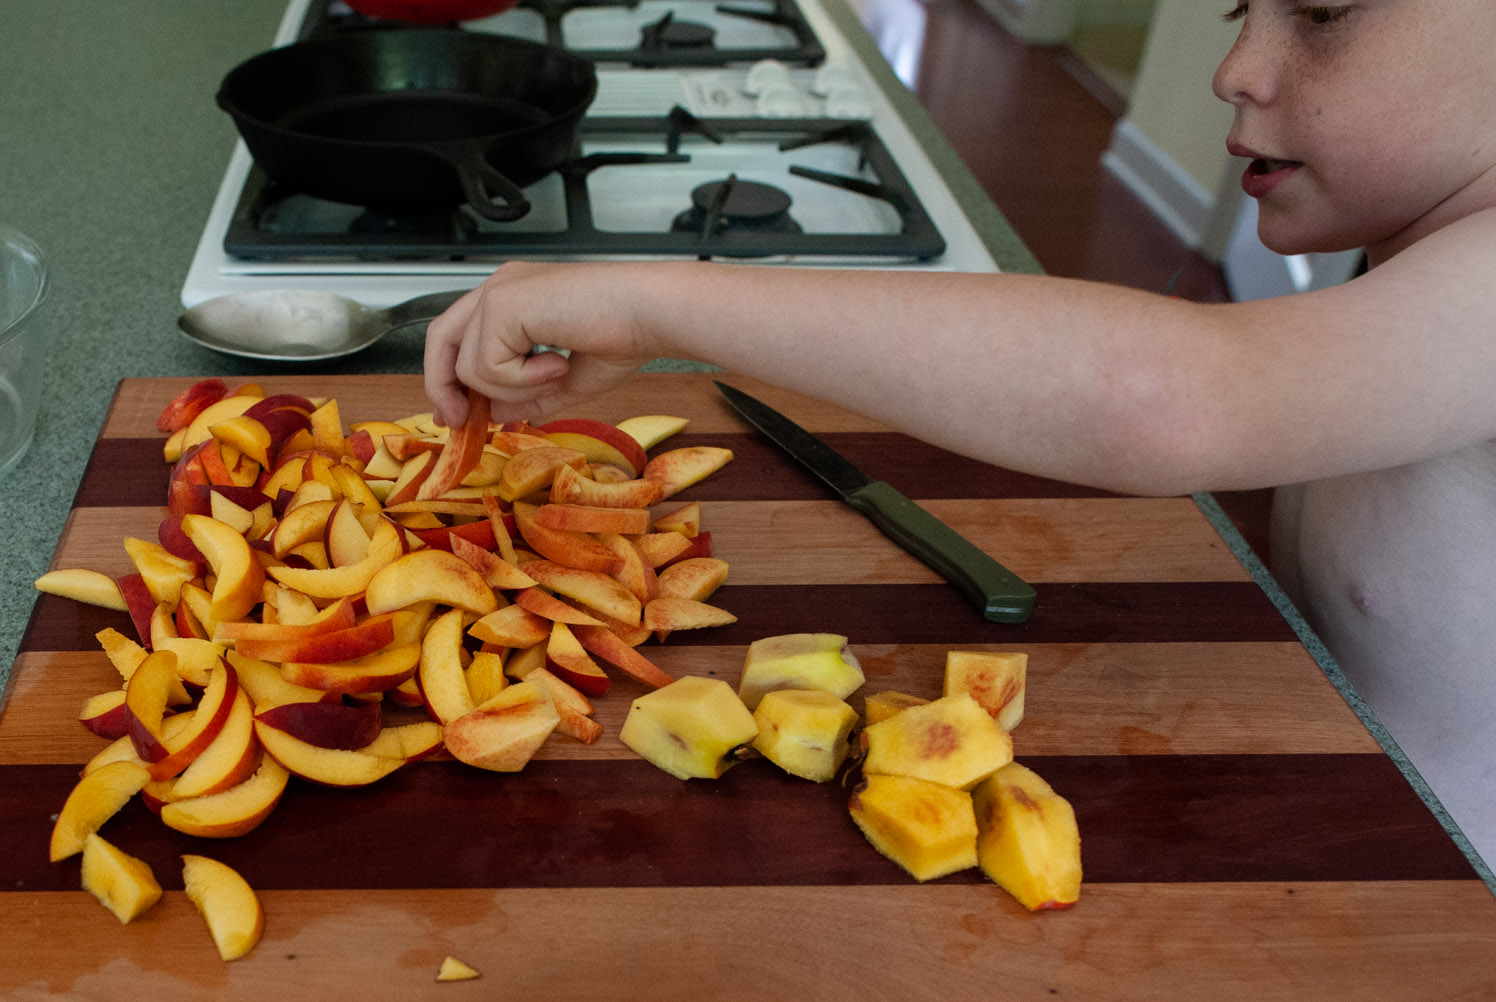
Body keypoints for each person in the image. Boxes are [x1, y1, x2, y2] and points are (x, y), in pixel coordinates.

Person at [424, 0, 1496, 863]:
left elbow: (1177, 394)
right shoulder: (1416, 242)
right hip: (1349, 834)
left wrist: (650, 304)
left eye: (1318, 13)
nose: (1234, 68)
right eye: (1238, 9)